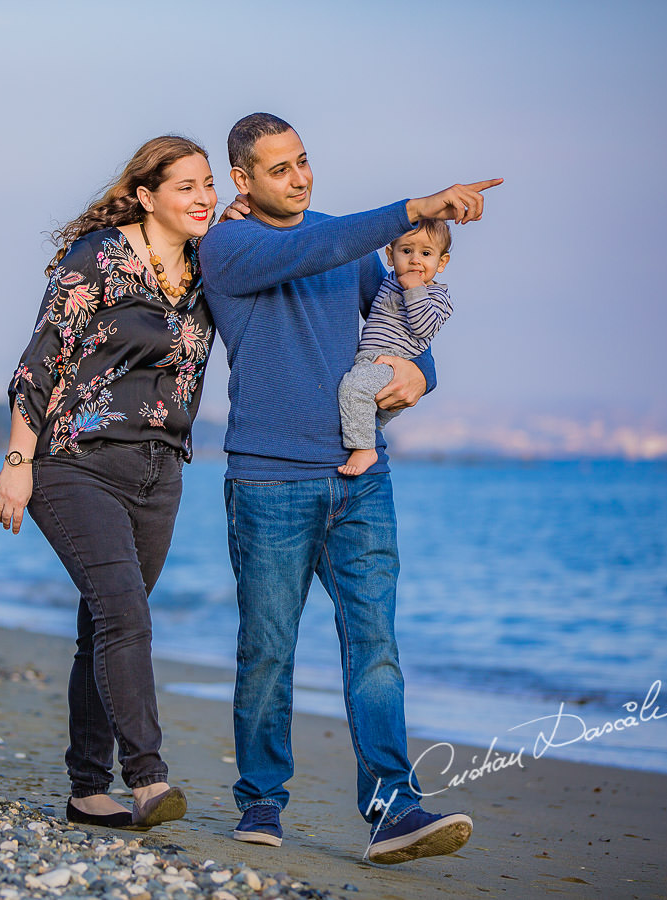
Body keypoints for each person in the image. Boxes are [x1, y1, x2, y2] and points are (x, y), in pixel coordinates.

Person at [198, 112, 500, 863]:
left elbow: (404, 330)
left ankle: (393, 807)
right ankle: (262, 800)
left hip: (362, 481)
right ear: (242, 180)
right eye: (279, 170)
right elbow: (310, 248)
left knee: (377, 648)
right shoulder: (228, 245)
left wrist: (419, 378)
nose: (299, 179)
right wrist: (414, 207)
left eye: (303, 162)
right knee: (266, 650)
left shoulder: (349, 241)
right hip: (269, 482)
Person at [0, 135, 217, 829]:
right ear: (147, 196)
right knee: (125, 612)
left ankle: (88, 790)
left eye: (209, 184)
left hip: (161, 472)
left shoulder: (212, 269)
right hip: (75, 461)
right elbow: (41, 360)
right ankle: (147, 779)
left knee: (104, 624)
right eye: (186, 186)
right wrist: (18, 463)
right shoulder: (100, 258)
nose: (203, 197)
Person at [337, 219, 454, 477]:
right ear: (390, 256)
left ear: (441, 263)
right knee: (363, 411)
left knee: (353, 388)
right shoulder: (389, 280)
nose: (415, 260)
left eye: (426, 253)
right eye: (406, 251)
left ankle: (365, 449)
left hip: (393, 365)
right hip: (368, 360)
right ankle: (368, 435)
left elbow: (424, 330)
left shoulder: (437, 297)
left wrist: (415, 290)